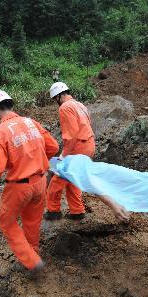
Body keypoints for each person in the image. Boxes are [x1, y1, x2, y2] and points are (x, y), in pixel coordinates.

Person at [0, 90, 59, 274]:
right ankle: (33, 254)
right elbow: (53, 146)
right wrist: (36, 160)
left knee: (6, 221)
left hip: (19, 187)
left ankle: (31, 261)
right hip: (41, 182)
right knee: (31, 221)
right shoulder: (32, 123)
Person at [44, 82, 96, 221]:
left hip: (78, 147)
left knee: (57, 180)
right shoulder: (80, 105)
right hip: (89, 145)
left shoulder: (65, 108)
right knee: (73, 179)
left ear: (59, 96)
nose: (56, 102)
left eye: (55, 99)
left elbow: (71, 135)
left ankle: (53, 211)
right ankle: (77, 211)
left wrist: (63, 155)